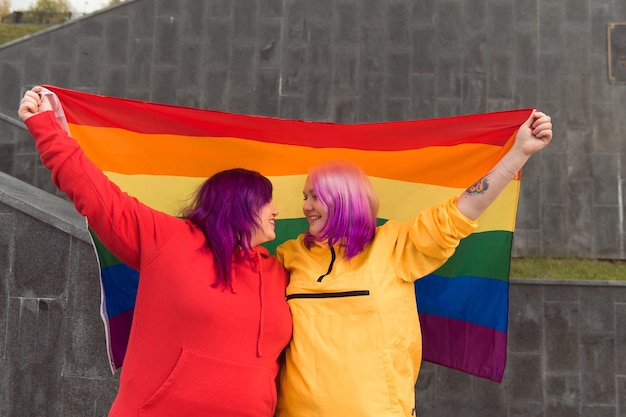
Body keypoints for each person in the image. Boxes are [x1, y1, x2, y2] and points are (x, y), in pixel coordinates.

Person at [18, 86, 292, 417]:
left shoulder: (282, 271)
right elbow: (97, 196)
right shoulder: (169, 240)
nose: (276, 210)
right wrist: (45, 126)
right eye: (267, 201)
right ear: (238, 205)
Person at [274, 110, 553, 417]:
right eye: (305, 196)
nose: (305, 206)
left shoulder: (394, 245)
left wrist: (519, 153)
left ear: (342, 198)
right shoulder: (289, 255)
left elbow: (461, 213)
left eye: (315, 196)